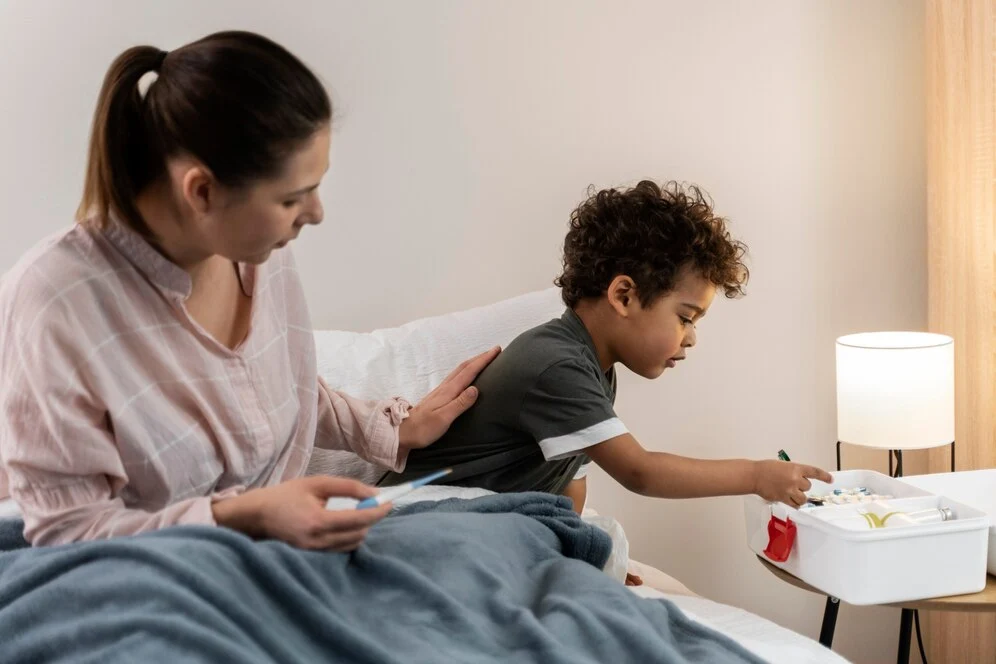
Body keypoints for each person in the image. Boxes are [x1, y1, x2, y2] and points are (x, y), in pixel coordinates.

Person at [0, 31, 498, 549]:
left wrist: (392, 430)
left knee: (513, 543)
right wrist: (245, 515)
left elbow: (277, 385)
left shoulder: (262, 253)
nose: (316, 214)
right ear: (202, 191)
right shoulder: (54, 304)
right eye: (293, 198)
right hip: (144, 578)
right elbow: (69, 534)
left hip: (275, 553)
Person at [384, 180, 832, 512]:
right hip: (414, 514)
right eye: (685, 318)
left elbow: (569, 483)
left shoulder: (594, 369)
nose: (691, 338)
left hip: (474, 516)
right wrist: (756, 476)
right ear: (623, 295)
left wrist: (578, 554)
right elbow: (640, 471)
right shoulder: (554, 363)